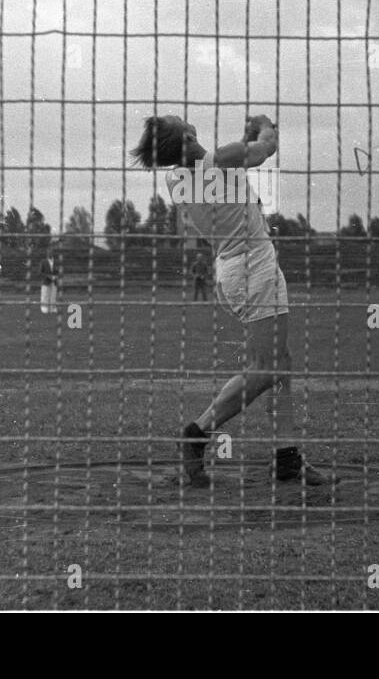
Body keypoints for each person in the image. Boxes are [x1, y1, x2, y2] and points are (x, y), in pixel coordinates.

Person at [130, 112, 329, 487]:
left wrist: (246, 139)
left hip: (239, 267)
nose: (187, 120)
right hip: (253, 267)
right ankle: (198, 431)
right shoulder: (218, 160)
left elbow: (232, 167)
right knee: (266, 368)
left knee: (278, 363)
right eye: (183, 124)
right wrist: (267, 125)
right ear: (187, 139)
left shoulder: (178, 177)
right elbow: (264, 149)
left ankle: (286, 458)